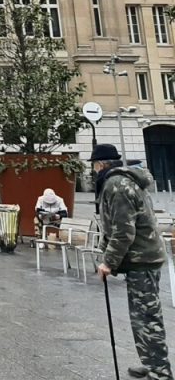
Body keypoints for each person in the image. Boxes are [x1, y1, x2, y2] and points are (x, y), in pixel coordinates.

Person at [93, 143, 173, 380]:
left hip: (142, 259)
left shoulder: (117, 185)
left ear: (100, 165)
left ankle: (161, 373)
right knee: (141, 318)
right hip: (142, 257)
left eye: (94, 165)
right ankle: (151, 364)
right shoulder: (122, 181)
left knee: (147, 318)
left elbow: (123, 231)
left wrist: (108, 262)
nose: (94, 170)